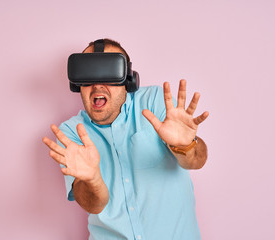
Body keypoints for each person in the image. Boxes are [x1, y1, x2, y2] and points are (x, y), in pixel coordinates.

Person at [42, 38, 209, 240]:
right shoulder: (71, 133)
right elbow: (93, 204)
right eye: (88, 76)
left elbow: (196, 160)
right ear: (78, 84)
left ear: (128, 81)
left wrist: (185, 146)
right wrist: (92, 180)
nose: (97, 85)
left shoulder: (155, 101)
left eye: (108, 73)